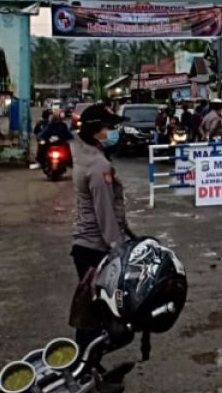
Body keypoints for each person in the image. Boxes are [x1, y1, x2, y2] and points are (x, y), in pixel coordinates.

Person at [70, 103, 132, 349]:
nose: (112, 131)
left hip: (84, 245)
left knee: (91, 309)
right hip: (96, 247)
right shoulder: (98, 166)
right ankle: (86, 365)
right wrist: (117, 247)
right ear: (97, 131)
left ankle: (86, 363)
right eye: (108, 126)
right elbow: (104, 211)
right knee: (95, 313)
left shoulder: (85, 155)